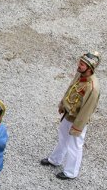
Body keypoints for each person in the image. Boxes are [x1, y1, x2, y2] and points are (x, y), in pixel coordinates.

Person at [40, 51, 100, 180]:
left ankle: (71, 172)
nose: (79, 65)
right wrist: (63, 104)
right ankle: (55, 160)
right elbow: (71, 88)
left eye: (82, 64)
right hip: (69, 114)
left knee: (75, 145)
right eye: (80, 62)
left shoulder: (93, 88)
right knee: (63, 138)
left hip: (78, 119)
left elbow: (87, 110)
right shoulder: (80, 74)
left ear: (90, 68)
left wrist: (77, 127)